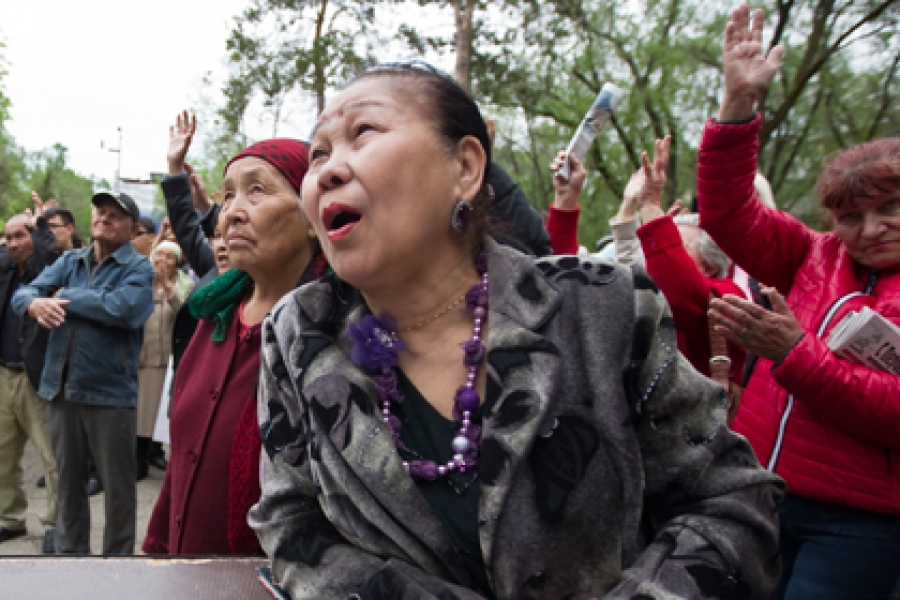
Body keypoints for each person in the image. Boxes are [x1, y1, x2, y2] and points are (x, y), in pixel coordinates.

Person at [249, 62, 783, 599]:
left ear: (465, 167)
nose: (327, 171)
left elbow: (729, 502)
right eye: (318, 154)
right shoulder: (297, 335)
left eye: (363, 132)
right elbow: (291, 523)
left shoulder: (601, 306)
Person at [700, 6, 900, 598]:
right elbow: (728, 214)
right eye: (851, 216)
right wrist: (738, 104)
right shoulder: (814, 255)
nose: (869, 230)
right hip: (766, 496)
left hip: (863, 525)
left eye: (888, 210)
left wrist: (793, 352)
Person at [142, 131, 327, 556]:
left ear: (312, 218)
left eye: (257, 190)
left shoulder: (331, 339)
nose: (232, 214)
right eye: (227, 197)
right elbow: (182, 464)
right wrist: (157, 550)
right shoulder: (211, 316)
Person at [12, 191, 154, 555]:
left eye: (114, 215)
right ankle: (70, 562)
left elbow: (125, 309)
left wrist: (68, 297)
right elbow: (23, 293)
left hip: (110, 394)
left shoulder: (139, 268)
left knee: (118, 491)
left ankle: (117, 567)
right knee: (68, 486)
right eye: (99, 212)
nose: (103, 218)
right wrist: (35, 303)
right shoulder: (71, 260)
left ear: (132, 227)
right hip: (61, 390)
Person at [0, 211, 60, 554]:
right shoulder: (5, 271)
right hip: (3, 375)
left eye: (20, 235)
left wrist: (40, 227)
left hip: (37, 378)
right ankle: (10, 519)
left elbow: (51, 250)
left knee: (53, 458)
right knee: (3, 456)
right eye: (8, 237)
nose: (12, 244)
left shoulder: (48, 273)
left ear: (35, 237)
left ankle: (55, 524)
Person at [135, 240, 190, 480]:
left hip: (166, 360)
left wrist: (168, 287)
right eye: (159, 256)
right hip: (142, 357)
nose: (163, 261)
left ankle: (155, 453)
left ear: (177, 263)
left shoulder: (184, 285)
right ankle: (138, 462)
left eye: (169, 257)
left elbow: (186, 314)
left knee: (158, 413)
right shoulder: (140, 283)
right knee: (140, 413)